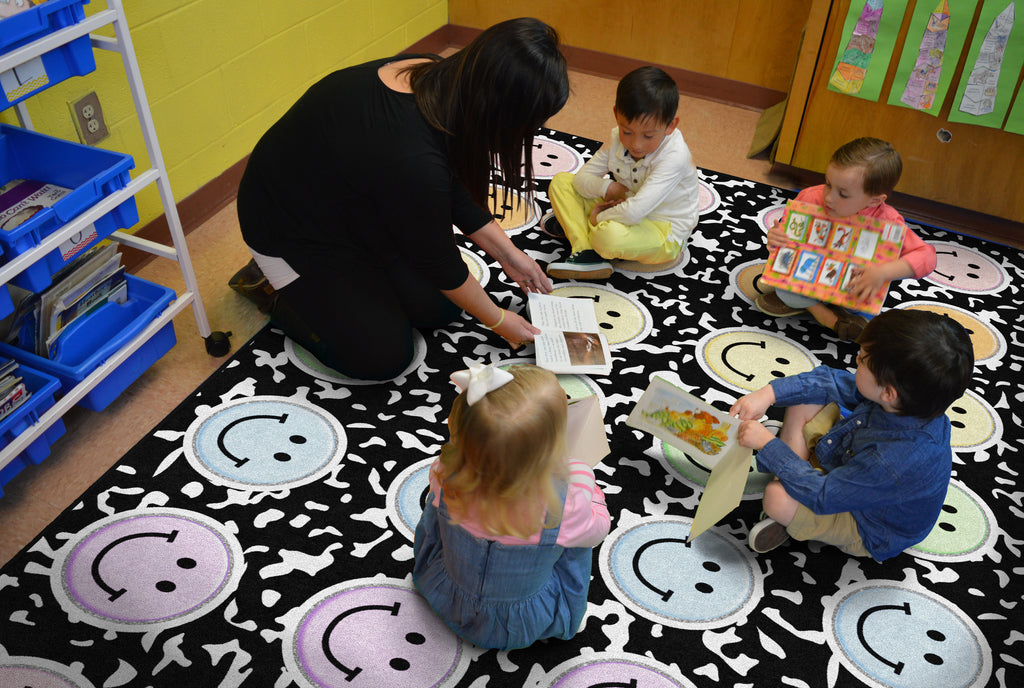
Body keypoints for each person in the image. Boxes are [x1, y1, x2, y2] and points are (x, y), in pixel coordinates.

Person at [231, 18, 567, 380]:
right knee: (383, 356)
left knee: (440, 310)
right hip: (290, 231)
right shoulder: (411, 158)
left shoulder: (435, 76)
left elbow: (450, 183)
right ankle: (269, 286)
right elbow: (439, 260)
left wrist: (508, 254)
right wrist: (499, 321)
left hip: (357, 205)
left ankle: (351, 288)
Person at [729, 309, 973, 560]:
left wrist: (769, 446)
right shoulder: (908, 402)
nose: (856, 359)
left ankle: (789, 494)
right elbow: (831, 382)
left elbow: (825, 495)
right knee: (807, 397)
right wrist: (768, 394)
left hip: (868, 523)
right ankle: (792, 472)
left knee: (776, 497)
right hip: (851, 469)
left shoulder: (891, 460)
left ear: (888, 393)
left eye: (863, 360)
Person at [413, 364, 610, 650]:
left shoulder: (444, 472)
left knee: (436, 509)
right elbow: (598, 530)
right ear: (551, 447)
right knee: (577, 539)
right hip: (519, 621)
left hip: (446, 593)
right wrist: (584, 479)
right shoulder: (564, 503)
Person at [756, 137, 936, 341]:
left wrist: (882, 272)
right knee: (782, 286)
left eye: (843, 194)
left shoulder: (889, 222)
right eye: (828, 184)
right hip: (809, 275)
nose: (829, 197)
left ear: (875, 200)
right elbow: (785, 233)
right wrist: (775, 238)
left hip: (852, 287)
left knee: (866, 307)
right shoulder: (810, 198)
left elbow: (927, 257)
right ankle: (827, 317)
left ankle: (823, 310)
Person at [544, 66, 699, 280]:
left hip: (663, 229)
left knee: (608, 237)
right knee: (562, 182)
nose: (635, 144)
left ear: (671, 125)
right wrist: (607, 187)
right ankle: (586, 250)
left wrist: (599, 217)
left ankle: (583, 231)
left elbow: (634, 213)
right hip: (624, 205)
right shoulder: (617, 136)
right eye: (627, 131)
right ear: (616, 114)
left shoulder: (675, 157)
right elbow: (581, 179)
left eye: (648, 136)